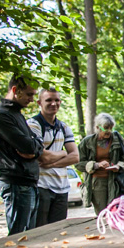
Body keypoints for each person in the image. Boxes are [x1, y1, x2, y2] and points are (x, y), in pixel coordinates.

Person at [0, 75, 44, 235]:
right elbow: (28, 146)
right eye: (29, 94)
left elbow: (36, 145)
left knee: (30, 236)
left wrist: (35, 148)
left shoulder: (16, 113)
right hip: (16, 183)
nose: (32, 99)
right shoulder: (2, 116)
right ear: (15, 90)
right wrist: (34, 147)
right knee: (18, 237)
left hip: (28, 181)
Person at [26, 87, 79, 227]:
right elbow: (43, 157)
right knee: (41, 230)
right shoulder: (33, 124)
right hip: (41, 186)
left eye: (57, 100)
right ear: (39, 103)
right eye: (49, 100)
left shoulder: (63, 127)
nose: (53, 104)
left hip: (62, 188)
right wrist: (63, 153)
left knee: (59, 230)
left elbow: (75, 157)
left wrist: (52, 163)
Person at [76, 114, 124, 214]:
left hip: (116, 182)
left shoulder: (118, 140)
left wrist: (118, 166)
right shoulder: (87, 142)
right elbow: (78, 163)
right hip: (98, 183)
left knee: (116, 213)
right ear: (98, 127)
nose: (109, 131)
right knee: (102, 213)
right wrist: (96, 165)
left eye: (111, 128)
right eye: (106, 128)